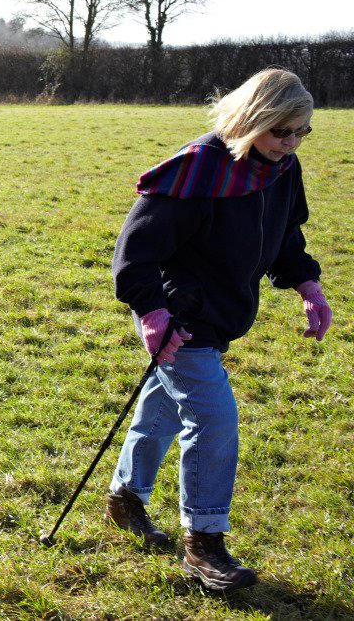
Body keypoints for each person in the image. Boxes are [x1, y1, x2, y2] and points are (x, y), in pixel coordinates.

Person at [107, 68, 332, 592]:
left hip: (223, 313)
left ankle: (125, 497)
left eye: (302, 131)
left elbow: (285, 237)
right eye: (282, 131)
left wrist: (308, 285)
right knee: (213, 420)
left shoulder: (281, 169)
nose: (292, 143)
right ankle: (204, 541)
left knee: (162, 410)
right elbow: (133, 254)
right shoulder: (196, 170)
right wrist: (153, 313)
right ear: (254, 119)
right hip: (179, 319)